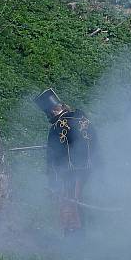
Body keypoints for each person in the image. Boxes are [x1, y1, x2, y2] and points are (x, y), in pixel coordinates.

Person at [35, 88, 95, 237]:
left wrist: (52, 180)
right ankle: (79, 234)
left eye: (48, 113)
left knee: (68, 202)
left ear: (54, 110)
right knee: (77, 200)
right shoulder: (82, 118)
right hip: (87, 169)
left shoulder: (57, 127)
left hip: (69, 172)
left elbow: (53, 157)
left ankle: (73, 236)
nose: (49, 116)